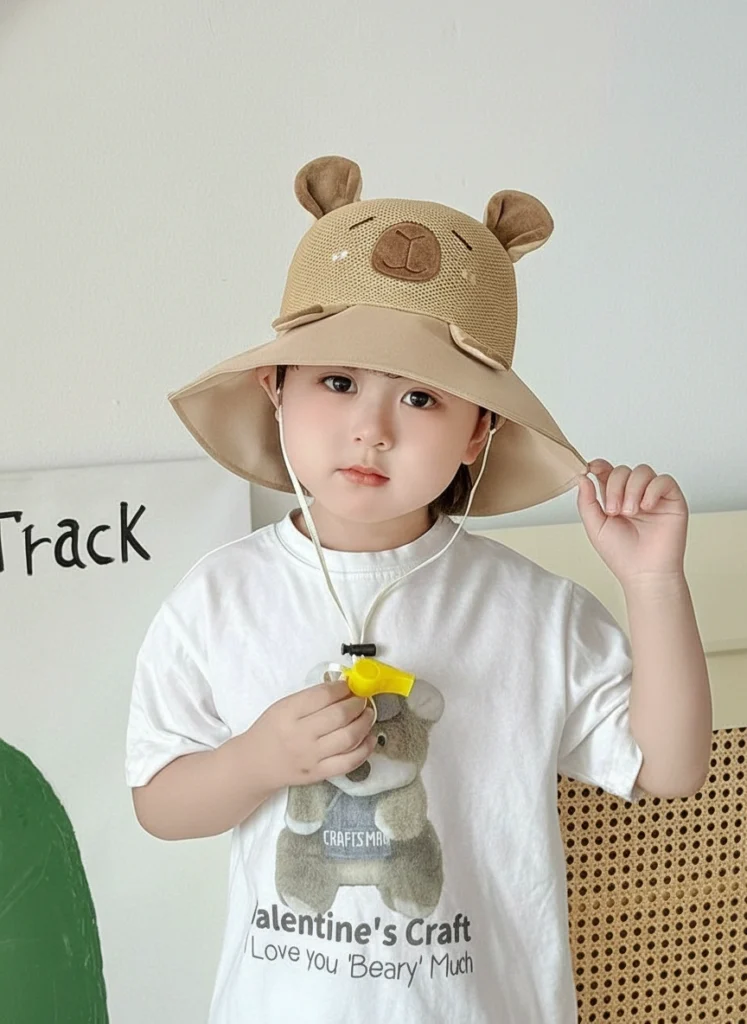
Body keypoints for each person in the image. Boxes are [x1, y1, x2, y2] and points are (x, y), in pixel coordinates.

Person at [125, 156, 712, 1023]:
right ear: (275, 388)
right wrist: (256, 762)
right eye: (337, 381)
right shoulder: (219, 597)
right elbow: (157, 803)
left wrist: (654, 582)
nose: (372, 427)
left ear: (481, 431)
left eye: (422, 398)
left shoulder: (532, 611)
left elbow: (668, 767)